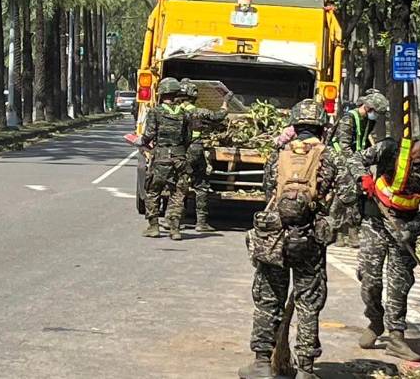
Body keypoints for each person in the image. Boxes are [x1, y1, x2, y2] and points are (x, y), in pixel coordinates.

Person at [240, 99, 339, 379]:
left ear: (294, 126)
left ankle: (262, 362)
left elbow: (268, 190)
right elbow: (346, 197)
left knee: (268, 297)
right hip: (310, 240)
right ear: (322, 126)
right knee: (308, 302)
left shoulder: (279, 154)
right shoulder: (330, 156)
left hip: (275, 239)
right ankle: (306, 367)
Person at [349, 119, 420, 361]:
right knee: (370, 279)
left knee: (400, 283)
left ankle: (396, 336)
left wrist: (412, 229)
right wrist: (363, 178)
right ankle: (375, 321)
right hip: (376, 221)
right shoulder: (391, 149)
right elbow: (356, 159)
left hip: (403, 229)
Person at [331, 89, 389, 247]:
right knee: (345, 193)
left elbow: (363, 142)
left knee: (358, 195)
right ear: (369, 108)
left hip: (356, 159)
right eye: (376, 112)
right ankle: (338, 231)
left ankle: (352, 230)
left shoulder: (369, 121)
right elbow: (343, 146)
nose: (376, 116)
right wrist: (355, 165)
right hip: (341, 158)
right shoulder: (348, 119)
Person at [138, 77, 191, 240]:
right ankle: (175, 229)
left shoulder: (156, 112)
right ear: (176, 94)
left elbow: (149, 134)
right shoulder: (184, 113)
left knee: (153, 191)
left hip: (161, 157)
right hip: (179, 158)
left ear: (161, 93)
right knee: (178, 193)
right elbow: (187, 137)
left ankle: (154, 226)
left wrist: (141, 142)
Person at [177, 79, 229, 232]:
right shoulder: (199, 112)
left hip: (178, 151)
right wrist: (225, 102)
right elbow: (219, 116)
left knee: (179, 184)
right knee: (201, 185)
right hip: (195, 149)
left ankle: (174, 220)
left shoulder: (174, 112)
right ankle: (201, 223)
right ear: (194, 96)